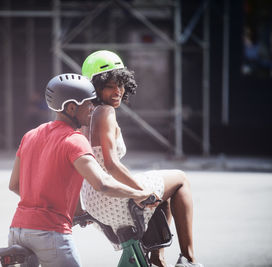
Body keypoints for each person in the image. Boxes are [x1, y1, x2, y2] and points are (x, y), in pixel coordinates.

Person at [8, 73, 160, 267]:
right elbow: (102, 184)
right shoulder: (74, 139)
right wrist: (138, 193)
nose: (92, 108)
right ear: (71, 108)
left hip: (17, 231)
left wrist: (72, 209)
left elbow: (14, 185)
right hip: (49, 234)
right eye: (88, 103)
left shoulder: (30, 135)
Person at [80, 50, 203, 267]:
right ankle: (189, 259)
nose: (118, 91)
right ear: (95, 86)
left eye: (121, 84)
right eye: (110, 85)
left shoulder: (82, 114)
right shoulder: (105, 112)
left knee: (162, 190)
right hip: (113, 196)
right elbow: (111, 164)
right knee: (180, 179)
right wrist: (141, 192)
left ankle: (157, 256)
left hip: (93, 200)